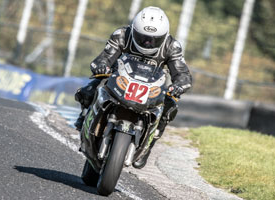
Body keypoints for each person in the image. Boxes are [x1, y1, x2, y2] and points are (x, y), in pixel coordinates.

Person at [75, 6, 192, 169]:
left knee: (170, 106)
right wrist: (102, 66)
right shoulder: (122, 35)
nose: (147, 42)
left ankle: (149, 146)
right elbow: (104, 57)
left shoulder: (172, 46)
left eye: (154, 39)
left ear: (163, 36)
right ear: (134, 30)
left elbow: (182, 73)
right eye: (143, 37)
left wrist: (179, 85)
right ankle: (84, 117)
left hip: (152, 86)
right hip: (119, 79)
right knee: (90, 88)